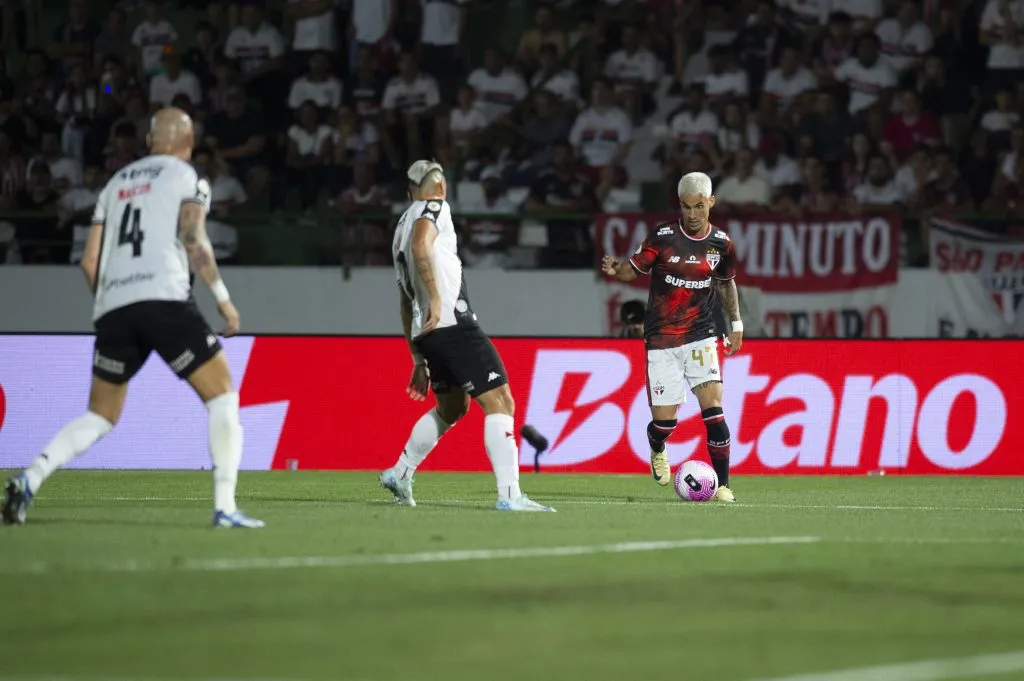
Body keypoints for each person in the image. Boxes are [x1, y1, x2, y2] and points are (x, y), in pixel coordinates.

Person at [2, 108, 263, 529]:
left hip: (114, 306)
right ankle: (225, 507)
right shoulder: (187, 178)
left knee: (100, 415)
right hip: (165, 300)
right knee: (223, 397)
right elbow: (194, 238)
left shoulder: (115, 184)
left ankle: (30, 479)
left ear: (148, 142)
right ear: (190, 142)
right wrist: (222, 299)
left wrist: (113, 305)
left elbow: (89, 262)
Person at [379, 160, 555, 512]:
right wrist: (438, 297)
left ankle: (400, 472)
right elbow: (421, 244)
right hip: (452, 322)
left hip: (425, 332)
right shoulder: (435, 207)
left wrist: (417, 356)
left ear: (406, 192)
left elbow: (403, 298)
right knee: (501, 401)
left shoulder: (399, 226)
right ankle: (510, 495)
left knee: (452, 407)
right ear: (441, 188)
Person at [601, 172, 742, 502]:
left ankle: (723, 486)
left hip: (700, 334)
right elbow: (633, 269)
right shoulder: (663, 237)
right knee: (665, 423)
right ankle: (658, 445)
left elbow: (725, 282)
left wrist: (736, 324)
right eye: (685, 207)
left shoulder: (722, 243)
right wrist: (616, 268)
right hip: (662, 339)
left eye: (698, 207)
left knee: (714, 408)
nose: (691, 214)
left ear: (711, 203)